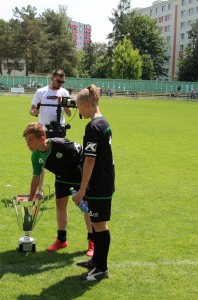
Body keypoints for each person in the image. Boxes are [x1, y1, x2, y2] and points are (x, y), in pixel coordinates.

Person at [23, 122, 93, 254]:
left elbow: (83, 152)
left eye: (30, 140)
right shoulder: (36, 156)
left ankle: (92, 241)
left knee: (86, 207)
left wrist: (84, 184)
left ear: (42, 139)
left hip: (79, 174)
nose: (28, 144)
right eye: (27, 141)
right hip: (61, 177)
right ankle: (61, 240)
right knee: (60, 205)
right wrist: (31, 199)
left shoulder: (60, 144)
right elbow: (36, 177)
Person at [72, 84, 115, 281]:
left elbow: (90, 159)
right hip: (103, 181)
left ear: (87, 104)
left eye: (79, 108)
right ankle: (96, 261)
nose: (78, 112)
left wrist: (82, 189)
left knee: (99, 224)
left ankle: (102, 268)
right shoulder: (103, 122)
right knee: (96, 222)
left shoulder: (93, 126)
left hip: (99, 183)